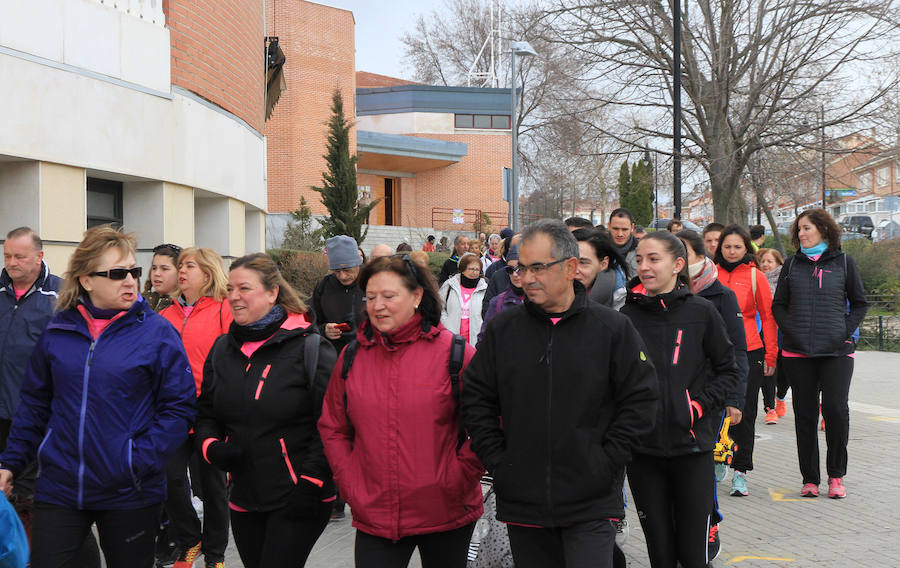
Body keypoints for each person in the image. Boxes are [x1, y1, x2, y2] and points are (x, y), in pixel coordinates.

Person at [462, 219, 658, 568]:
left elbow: (640, 400)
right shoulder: (504, 330)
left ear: (570, 268)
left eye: (539, 267)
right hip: (523, 502)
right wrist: (499, 461)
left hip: (591, 502)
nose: (527, 277)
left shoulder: (611, 328)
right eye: (522, 267)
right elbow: (476, 398)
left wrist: (607, 461)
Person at [0, 226, 195, 568]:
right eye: (117, 274)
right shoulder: (58, 329)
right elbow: (34, 404)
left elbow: (178, 408)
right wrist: (11, 462)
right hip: (60, 485)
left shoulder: (157, 333)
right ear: (87, 280)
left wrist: (137, 460)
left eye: (134, 271)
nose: (131, 281)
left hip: (129, 490)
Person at [318, 255, 484, 568]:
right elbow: (333, 426)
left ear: (417, 296)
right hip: (376, 513)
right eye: (370, 297)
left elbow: (491, 422)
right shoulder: (352, 356)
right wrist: (351, 483)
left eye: (389, 296)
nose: (377, 306)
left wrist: (459, 475)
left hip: (447, 511)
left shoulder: (456, 353)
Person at [196, 253, 337, 568]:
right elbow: (206, 413)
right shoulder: (222, 350)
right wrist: (211, 447)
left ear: (272, 292)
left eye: (244, 288)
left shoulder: (309, 348)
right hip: (245, 497)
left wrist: (311, 481)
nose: (233, 297)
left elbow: (332, 424)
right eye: (230, 289)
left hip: (300, 494)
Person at [622, 231, 739, 568]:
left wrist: (697, 406)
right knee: (660, 555)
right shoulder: (626, 317)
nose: (644, 266)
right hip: (643, 454)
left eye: (653, 259)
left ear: (677, 265)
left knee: (693, 555)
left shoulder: (702, 312)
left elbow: (728, 371)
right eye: (640, 259)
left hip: (692, 451)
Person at [772, 209, 867, 499]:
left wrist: (844, 332)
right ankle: (810, 479)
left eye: (807, 228)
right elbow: (779, 306)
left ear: (824, 230)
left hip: (837, 351)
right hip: (798, 352)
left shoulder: (845, 263)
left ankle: (836, 476)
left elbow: (860, 303)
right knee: (805, 414)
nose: (801, 233)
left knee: (836, 410)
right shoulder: (791, 265)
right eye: (798, 229)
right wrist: (792, 332)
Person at [677, 229, 749, 559]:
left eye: (685, 256)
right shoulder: (657, 294)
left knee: (703, 467)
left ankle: (710, 523)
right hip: (669, 401)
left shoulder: (721, 295)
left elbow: (737, 352)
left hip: (708, 399)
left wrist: (734, 399)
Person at [159, 248, 233, 568]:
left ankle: (215, 555)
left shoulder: (223, 310)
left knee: (213, 485)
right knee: (170, 478)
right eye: (181, 266)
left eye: (190, 265)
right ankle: (191, 540)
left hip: (211, 411)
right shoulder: (165, 315)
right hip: (173, 410)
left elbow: (237, 358)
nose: (182, 271)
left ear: (207, 272)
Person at [714, 224, 777, 496]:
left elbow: (769, 315)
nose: (731, 251)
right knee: (713, 409)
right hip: (712, 351)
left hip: (749, 350)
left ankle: (741, 471)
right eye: (727, 246)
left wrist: (771, 353)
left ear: (746, 249)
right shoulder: (708, 274)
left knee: (745, 413)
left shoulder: (755, 276)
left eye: (737, 246)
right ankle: (717, 458)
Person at [312, 236, 363, 521]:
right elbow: (311, 320)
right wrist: (324, 329)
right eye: (338, 271)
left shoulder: (370, 283)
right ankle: (335, 497)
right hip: (331, 365)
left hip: (366, 364)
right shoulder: (323, 287)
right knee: (334, 429)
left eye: (348, 269)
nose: (343, 275)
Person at [1, 228, 61, 450]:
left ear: (39, 257)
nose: (12, 262)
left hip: (35, 416)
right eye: (7, 256)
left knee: (25, 482)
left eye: (19, 256)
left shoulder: (61, 296)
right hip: (1, 414)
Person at [758, 248, 788, 418]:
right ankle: (770, 408)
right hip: (764, 331)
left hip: (783, 332)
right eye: (763, 261)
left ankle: (780, 397)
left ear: (778, 263)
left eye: (770, 261)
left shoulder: (785, 283)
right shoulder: (756, 281)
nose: (765, 265)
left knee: (785, 373)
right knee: (768, 369)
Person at [572, 228, 629, 310]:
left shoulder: (619, 299)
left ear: (603, 264)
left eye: (583, 263)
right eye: (569, 262)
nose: (575, 270)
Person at [476, 245, 522, 346]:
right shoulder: (497, 302)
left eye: (519, 268)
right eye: (510, 270)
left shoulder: (542, 301)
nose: (514, 274)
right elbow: (483, 341)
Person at [439, 253, 487, 346]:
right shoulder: (450, 285)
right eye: (471, 269)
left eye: (477, 269)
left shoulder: (485, 288)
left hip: (475, 339)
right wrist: (445, 322)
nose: (474, 272)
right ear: (463, 269)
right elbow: (439, 306)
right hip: (451, 337)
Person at [142, 243, 181, 313]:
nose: (157, 273)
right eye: (154, 268)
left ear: (179, 272)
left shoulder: (184, 307)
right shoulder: (141, 302)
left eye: (164, 269)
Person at [608, 208, 638, 274]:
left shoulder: (642, 251)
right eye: (615, 229)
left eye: (624, 229)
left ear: (632, 228)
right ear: (609, 226)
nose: (620, 234)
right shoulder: (597, 249)